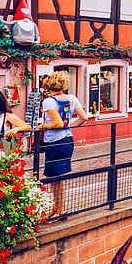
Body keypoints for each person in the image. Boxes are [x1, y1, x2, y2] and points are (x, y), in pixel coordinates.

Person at [39, 71, 88, 219]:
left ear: (48, 85)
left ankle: (61, 210)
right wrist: (69, 126)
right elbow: (83, 118)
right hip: (67, 139)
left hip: (55, 141)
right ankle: (58, 207)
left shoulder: (49, 101)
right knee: (55, 176)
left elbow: (57, 124)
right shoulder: (72, 98)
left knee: (53, 176)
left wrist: (42, 126)